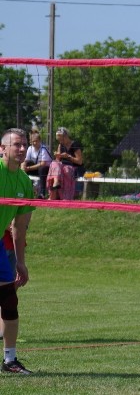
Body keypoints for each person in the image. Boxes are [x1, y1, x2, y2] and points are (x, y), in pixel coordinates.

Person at [0, 128, 36, 374]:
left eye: (24, 145)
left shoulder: (24, 182)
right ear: (2, 149)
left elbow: (19, 228)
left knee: (9, 300)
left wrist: (20, 263)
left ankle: (10, 360)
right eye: (16, 145)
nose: (22, 149)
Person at [47, 126, 83, 200]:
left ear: (66, 136)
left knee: (66, 170)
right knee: (54, 163)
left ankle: (65, 196)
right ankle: (55, 185)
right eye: (59, 140)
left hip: (73, 167)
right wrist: (58, 155)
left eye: (61, 139)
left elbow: (80, 161)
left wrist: (68, 156)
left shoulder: (75, 145)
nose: (60, 142)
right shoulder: (61, 145)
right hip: (61, 166)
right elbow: (58, 161)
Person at [23, 129, 51, 199]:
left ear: (40, 141)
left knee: (42, 169)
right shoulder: (30, 148)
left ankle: (42, 193)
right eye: (33, 141)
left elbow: (43, 163)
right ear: (30, 142)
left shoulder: (43, 149)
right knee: (26, 164)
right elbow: (25, 160)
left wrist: (28, 168)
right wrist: (23, 168)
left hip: (46, 170)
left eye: (36, 141)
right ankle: (24, 190)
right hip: (36, 168)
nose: (34, 143)